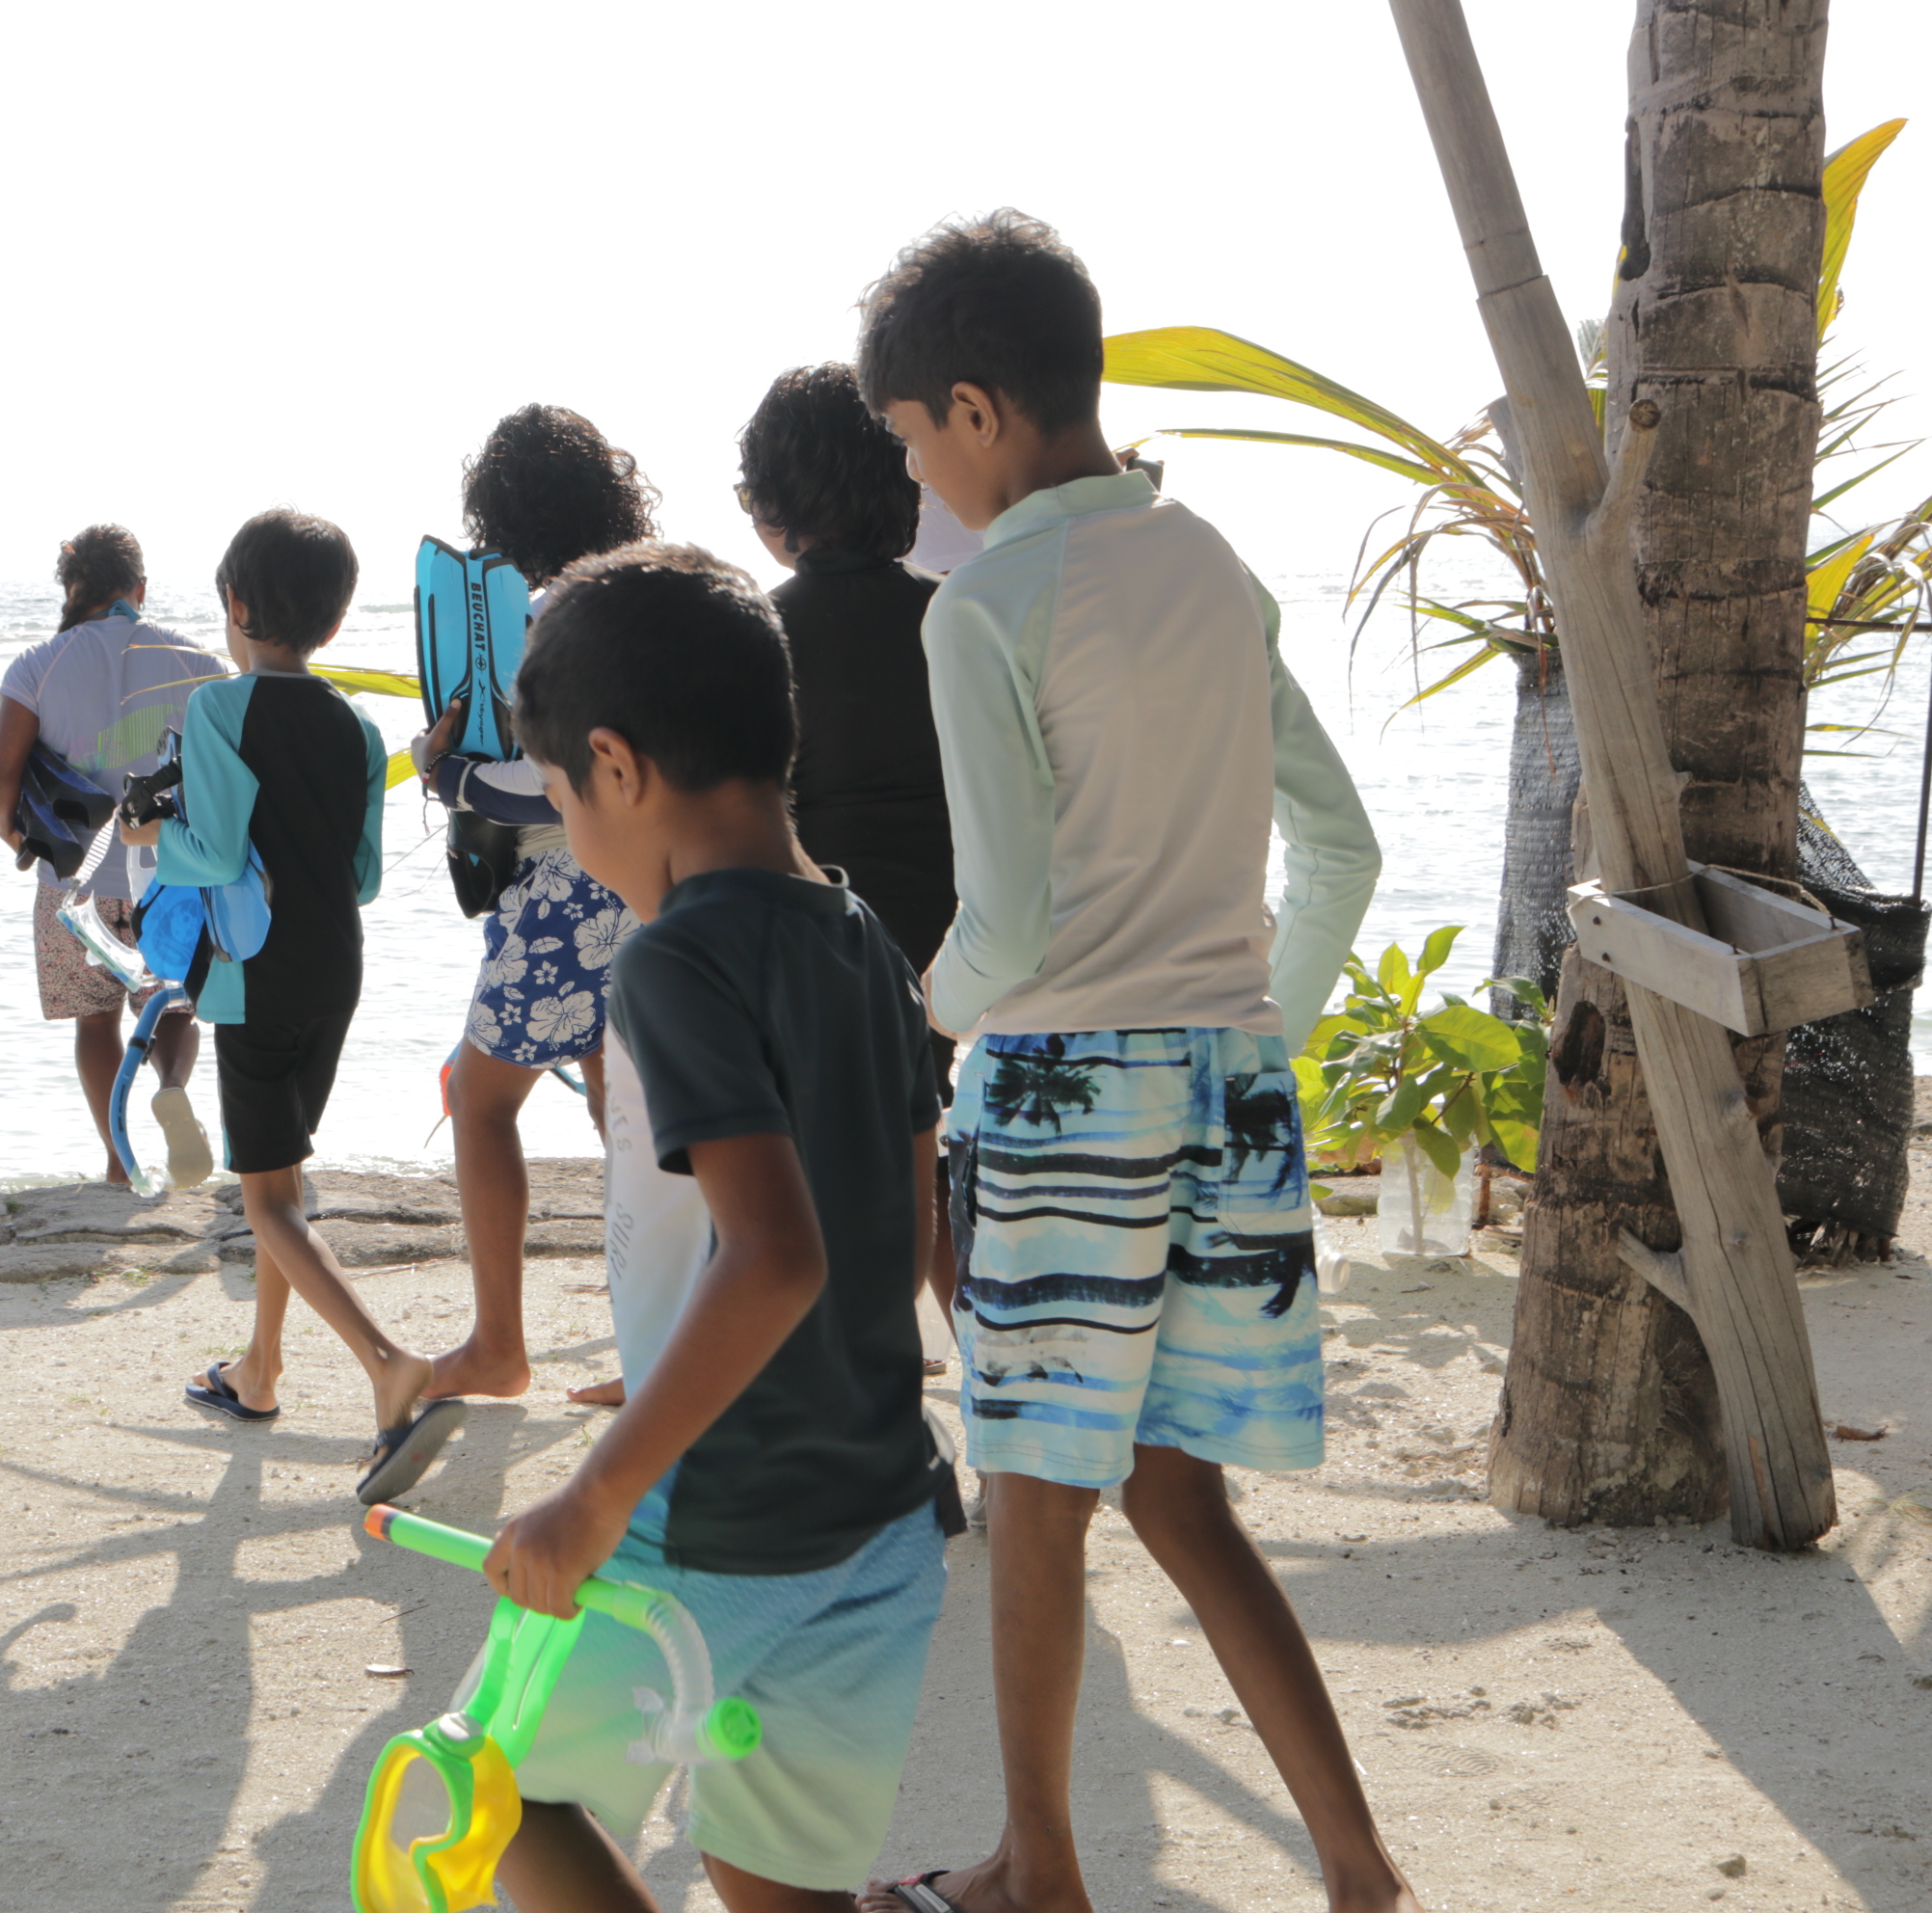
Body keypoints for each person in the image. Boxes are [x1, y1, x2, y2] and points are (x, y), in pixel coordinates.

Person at [850, 211, 1403, 1913]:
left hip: (1063, 1092)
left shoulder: (984, 602)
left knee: (1032, 1493)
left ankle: (1039, 1862)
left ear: (972, 406)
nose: (917, 486)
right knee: (1181, 1492)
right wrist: (1252, 1030)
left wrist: (929, 1014)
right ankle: (1360, 1865)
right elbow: (1346, 848)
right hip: (1225, 1087)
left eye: (911, 444)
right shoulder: (1214, 566)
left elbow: (1004, 926)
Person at [478, 544, 957, 1912]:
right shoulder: (862, 934)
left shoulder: (677, 955)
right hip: (878, 1521)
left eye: (566, 796)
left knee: (500, 1794)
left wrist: (596, 1493)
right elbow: (905, 1210)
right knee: (780, 1890)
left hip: (710, 1524)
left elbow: (778, 1253)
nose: (573, 828)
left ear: (617, 769)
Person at [125, 509, 462, 1503]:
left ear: (235, 605)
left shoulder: (220, 710)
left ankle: (386, 1361)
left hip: (258, 972)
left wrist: (150, 834)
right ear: (337, 616)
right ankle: (259, 1367)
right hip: (338, 967)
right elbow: (358, 876)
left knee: (267, 1198)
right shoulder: (356, 727)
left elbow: (217, 852)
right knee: (285, 1180)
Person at [420, 404, 657, 1405]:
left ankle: (499, 1346)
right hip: (647, 880)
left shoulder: (540, 610)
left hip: (565, 881)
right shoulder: (639, 600)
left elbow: (555, 780)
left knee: (479, 1102)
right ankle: (655, 1346)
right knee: (627, 1108)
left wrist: (452, 778)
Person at [738, 362, 959, 1332]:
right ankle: (986, 1363)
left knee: (824, 1189)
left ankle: (862, 1374)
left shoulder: (763, 635)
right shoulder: (953, 612)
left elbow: (751, 816)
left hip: (824, 949)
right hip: (957, 946)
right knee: (928, 1164)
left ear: (779, 500)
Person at [0, 525, 225, 1187]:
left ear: (71, 590)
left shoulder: (36, 666)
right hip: (171, 876)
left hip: (75, 882)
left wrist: (21, 845)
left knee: (95, 1023)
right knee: (175, 1006)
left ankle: (120, 1163)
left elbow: (1, 779)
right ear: (139, 589)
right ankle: (171, 1086)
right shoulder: (197, 662)